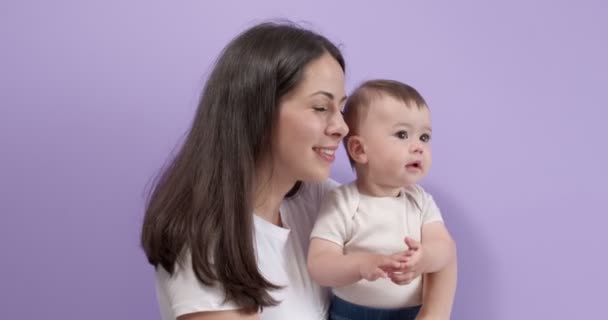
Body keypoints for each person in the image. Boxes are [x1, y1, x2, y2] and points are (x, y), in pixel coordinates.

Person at [141, 21, 456, 320]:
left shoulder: (317, 199)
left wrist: (433, 315)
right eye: (321, 108)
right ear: (259, 112)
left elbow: (442, 250)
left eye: (341, 109)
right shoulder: (208, 242)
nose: (343, 128)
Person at [308, 80, 457, 320]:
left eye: (425, 137)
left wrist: (424, 258)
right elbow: (320, 265)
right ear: (359, 150)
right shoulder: (342, 202)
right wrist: (362, 265)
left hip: (413, 314)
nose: (418, 147)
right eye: (402, 134)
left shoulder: (420, 202)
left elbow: (445, 248)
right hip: (352, 315)